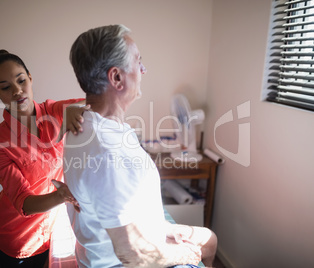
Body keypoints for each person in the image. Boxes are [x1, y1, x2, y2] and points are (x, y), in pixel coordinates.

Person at [63, 25, 217, 268]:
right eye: (138, 61)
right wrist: (187, 256)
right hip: (121, 262)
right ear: (116, 77)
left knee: (209, 240)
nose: (144, 69)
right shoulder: (107, 153)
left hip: (141, 229)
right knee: (203, 248)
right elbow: (133, 254)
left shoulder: (89, 121)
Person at [0, 49, 88, 268]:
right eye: (5, 87)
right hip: (17, 239)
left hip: (54, 230)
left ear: (30, 78)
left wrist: (77, 110)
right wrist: (64, 195)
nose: (17, 91)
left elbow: (96, 103)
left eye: (21, 80)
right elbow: (25, 203)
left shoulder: (55, 111)